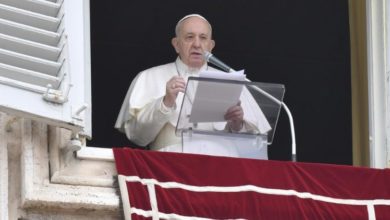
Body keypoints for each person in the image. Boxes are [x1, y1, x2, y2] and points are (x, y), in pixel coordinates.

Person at [115, 14, 270, 159]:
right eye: (189, 37)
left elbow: (256, 148)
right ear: (176, 44)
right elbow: (137, 136)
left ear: (211, 45)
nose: (197, 44)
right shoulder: (149, 77)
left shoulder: (232, 81)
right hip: (169, 167)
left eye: (203, 38)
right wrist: (165, 103)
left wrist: (238, 124)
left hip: (224, 170)